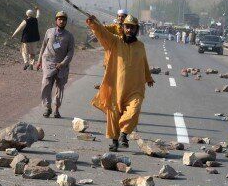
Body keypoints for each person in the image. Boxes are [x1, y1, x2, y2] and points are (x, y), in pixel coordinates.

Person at [86, 14, 154, 152]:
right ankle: (115, 141)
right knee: (113, 113)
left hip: (135, 87)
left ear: (136, 30)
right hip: (116, 86)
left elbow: (144, 62)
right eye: (127, 27)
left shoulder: (140, 46)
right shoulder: (114, 42)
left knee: (134, 110)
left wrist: (148, 77)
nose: (129, 30)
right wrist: (94, 23)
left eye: (132, 28)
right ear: (123, 28)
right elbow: (102, 33)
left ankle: (124, 133)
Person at [36, 11, 75, 118]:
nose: (61, 21)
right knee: (46, 85)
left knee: (59, 88)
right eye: (59, 19)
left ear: (66, 22)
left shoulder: (69, 36)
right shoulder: (49, 32)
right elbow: (43, 46)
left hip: (62, 65)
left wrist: (63, 63)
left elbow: (70, 52)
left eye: (64, 19)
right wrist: (39, 61)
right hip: (48, 62)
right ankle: (47, 107)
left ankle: (56, 109)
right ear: (56, 20)